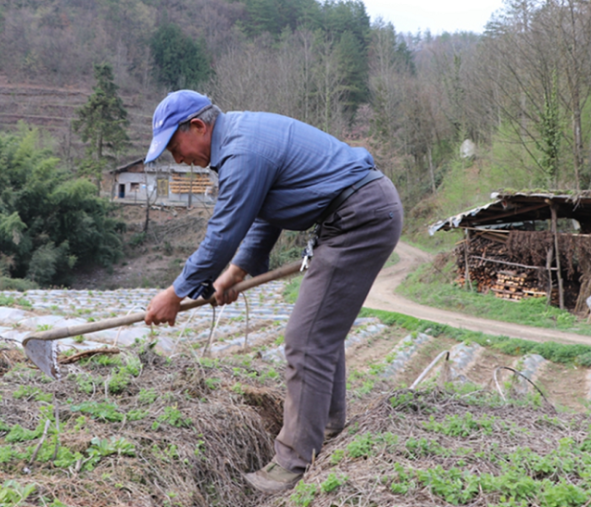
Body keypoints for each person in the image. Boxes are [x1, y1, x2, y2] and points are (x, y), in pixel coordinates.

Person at [143, 89, 403, 493]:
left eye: (176, 148)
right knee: (321, 330)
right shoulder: (243, 138)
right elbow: (267, 216)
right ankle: (329, 427)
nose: (178, 160)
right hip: (358, 212)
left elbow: (223, 233)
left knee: (305, 339)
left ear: (198, 126)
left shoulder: (243, 152)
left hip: (359, 217)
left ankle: (294, 461)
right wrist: (235, 273)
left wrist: (175, 294)